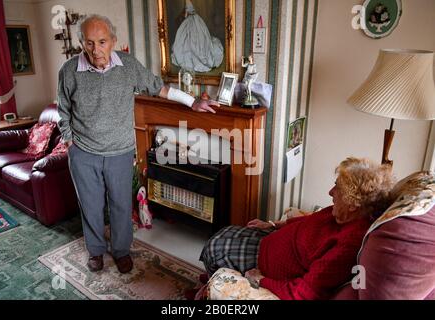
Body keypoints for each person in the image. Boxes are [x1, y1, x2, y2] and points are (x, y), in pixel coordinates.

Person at [57, 14, 219, 274]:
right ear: (81, 44)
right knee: (90, 206)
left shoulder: (128, 66)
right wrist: (69, 141)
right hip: (84, 153)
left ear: (113, 41)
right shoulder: (69, 71)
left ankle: (121, 251)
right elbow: (63, 109)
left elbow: (159, 88)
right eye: (89, 43)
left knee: (121, 204)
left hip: (119, 152)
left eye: (102, 42)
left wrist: (193, 102)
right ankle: (96, 251)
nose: (96, 50)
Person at [199, 157, 395, 299]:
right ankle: (210, 280)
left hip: (265, 264)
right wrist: (273, 224)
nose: (330, 192)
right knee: (226, 231)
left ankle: (209, 288)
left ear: (353, 203)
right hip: (270, 241)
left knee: (213, 248)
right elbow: (309, 221)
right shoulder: (343, 214)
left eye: (337, 189)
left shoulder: (349, 244)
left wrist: (261, 279)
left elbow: (304, 292)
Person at [171, 0, 223, 72]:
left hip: (192, 22)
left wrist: (186, 16)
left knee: (197, 39)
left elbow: (186, 14)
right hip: (192, 21)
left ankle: (195, 53)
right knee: (188, 39)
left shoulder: (192, 12)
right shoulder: (194, 13)